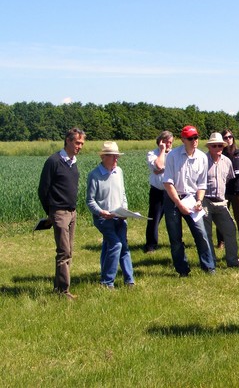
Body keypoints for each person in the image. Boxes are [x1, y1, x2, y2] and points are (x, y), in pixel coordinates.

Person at [38, 127, 86, 300]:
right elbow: (43, 190)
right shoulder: (54, 161)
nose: (79, 146)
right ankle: (63, 292)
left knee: (69, 251)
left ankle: (60, 288)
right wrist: (51, 212)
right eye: (77, 142)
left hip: (72, 212)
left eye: (81, 143)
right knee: (64, 252)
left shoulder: (73, 162)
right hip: (59, 212)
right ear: (68, 140)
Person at [163, 125, 216, 276]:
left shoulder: (202, 157)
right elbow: (168, 182)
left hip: (192, 198)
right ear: (183, 140)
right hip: (173, 198)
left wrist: (199, 201)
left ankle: (208, 267)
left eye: (196, 137)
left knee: (201, 234)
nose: (194, 141)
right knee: (175, 237)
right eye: (190, 138)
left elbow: (202, 184)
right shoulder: (173, 156)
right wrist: (179, 204)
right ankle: (182, 270)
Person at [86, 142, 135, 289]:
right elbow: (90, 201)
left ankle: (129, 281)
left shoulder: (118, 171)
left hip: (119, 217)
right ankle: (107, 283)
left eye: (117, 156)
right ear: (103, 157)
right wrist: (101, 212)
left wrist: (124, 211)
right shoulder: (94, 175)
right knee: (116, 244)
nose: (116, 159)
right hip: (103, 219)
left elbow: (123, 194)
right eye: (113, 157)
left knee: (123, 247)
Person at [203, 132, 239, 267]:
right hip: (205, 201)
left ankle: (233, 261)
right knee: (206, 234)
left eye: (220, 145)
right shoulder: (202, 161)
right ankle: (210, 263)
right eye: (214, 146)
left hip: (221, 200)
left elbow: (229, 178)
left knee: (230, 229)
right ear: (209, 147)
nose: (218, 148)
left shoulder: (227, 161)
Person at [144, 130, 173, 253]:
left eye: (170, 142)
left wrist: (161, 169)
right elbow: (158, 166)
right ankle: (151, 245)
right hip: (157, 191)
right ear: (160, 141)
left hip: (171, 191)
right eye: (166, 142)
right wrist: (162, 151)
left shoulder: (174, 154)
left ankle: (175, 242)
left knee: (173, 219)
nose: (168, 145)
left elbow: (161, 169)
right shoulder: (152, 153)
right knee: (154, 219)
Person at [221, 129, 239, 249]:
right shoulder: (220, 153)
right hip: (224, 189)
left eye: (230, 137)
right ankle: (221, 242)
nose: (228, 139)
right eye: (226, 137)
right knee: (222, 216)